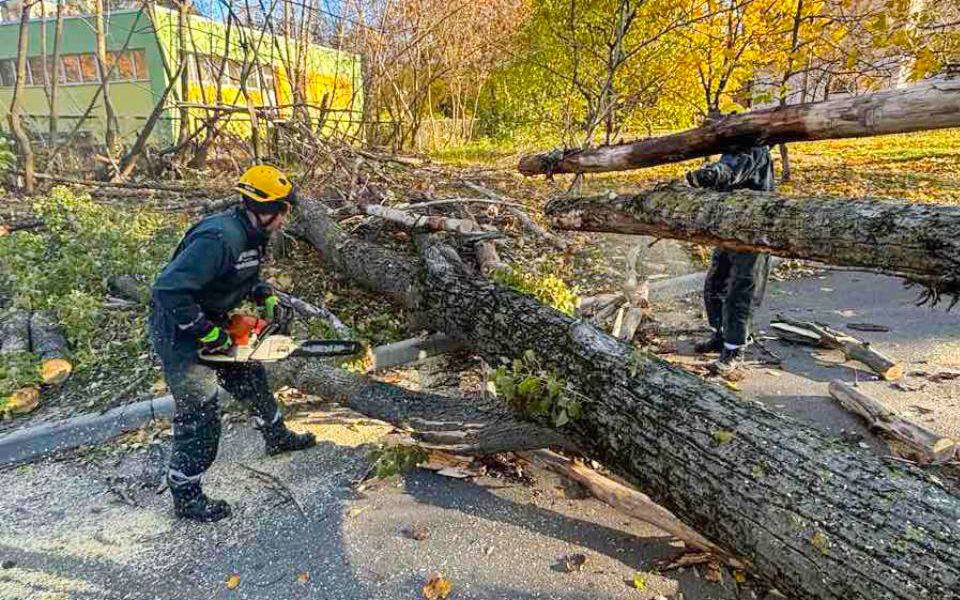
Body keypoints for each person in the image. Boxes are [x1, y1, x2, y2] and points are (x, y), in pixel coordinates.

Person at [149, 165, 316, 522]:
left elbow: (242, 275)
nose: (286, 217)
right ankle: (186, 493)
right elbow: (167, 290)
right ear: (266, 208)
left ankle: (276, 435)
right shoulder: (219, 239)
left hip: (214, 318)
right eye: (284, 209)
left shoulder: (254, 233)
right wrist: (205, 332)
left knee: (250, 376)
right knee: (200, 414)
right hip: (181, 332)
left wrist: (263, 294)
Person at [685, 145, 775, 373]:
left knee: (740, 289)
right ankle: (720, 334)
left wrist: (710, 175)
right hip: (729, 228)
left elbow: (734, 171)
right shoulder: (732, 148)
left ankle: (735, 348)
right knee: (716, 282)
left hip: (753, 231)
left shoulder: (755, 150)